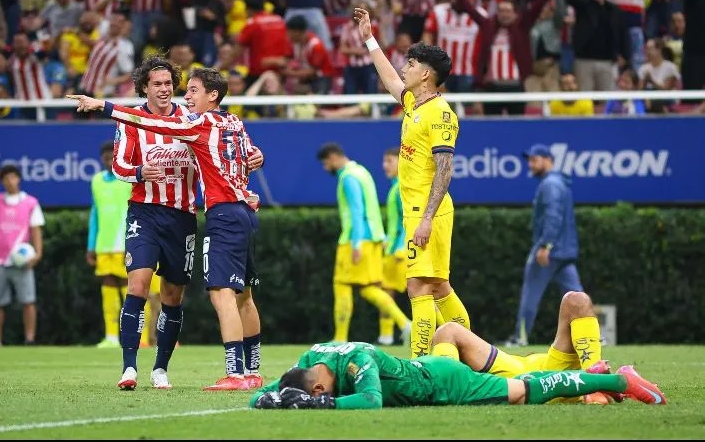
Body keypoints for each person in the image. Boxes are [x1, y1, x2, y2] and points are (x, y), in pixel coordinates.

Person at [69, 66, 266, 391]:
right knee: (241, 294)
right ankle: (132, 367)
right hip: (216, 211)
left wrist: (101, 105)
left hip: (204, 214)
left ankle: (233, 374)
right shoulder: (234, 121)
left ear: (211, 94)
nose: (181, 94)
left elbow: (152, 122)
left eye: (190, 89)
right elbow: (245, 154)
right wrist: (256, 157)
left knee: (221, 295)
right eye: (165, 85)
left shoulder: (193, 122)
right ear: (145, 88)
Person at [353, 7, 471, 359]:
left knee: (418, 285)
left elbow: (445, 169)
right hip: (417, 210)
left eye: (411, 64)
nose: (404, 68)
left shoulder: (441, 113)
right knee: (437, 286)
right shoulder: (414, 104)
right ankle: (470, 349)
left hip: (428, 212)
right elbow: (390, 79)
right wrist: (370, 40)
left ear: (426, 74)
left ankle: (420, 361)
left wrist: (426, 219)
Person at [249, 340, 667, 409]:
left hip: (446, 383)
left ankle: (618, 381)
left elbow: (371, 401)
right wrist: (264, 399)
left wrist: (323, 405)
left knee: (526, 392)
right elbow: (267, 390)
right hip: (429, 367)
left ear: (320, 387)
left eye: (319, 394)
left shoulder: (358, 361)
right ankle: (592, 375)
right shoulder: (312, 357)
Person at [431, 290, 616, 405]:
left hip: (528, 370)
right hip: (528, 380)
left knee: (575, 300)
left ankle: (594, 383)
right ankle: (442, 386)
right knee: (447, 331)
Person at [316, 143, 411, 345]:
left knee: (341, 284)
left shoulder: (348, 177)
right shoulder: (362, 172)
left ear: (333, 157)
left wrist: (356, 243)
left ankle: (340, 338)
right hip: (376, 239)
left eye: (326, 164)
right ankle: (403, 325)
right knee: (371, 288)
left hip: (356, 240)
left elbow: (356, 211)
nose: (326, 169)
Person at [505, 144, 582, 347]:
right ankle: (595, 336)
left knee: (530, 294)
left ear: (547, 159)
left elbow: (553, 217)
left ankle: (520, 338)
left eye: (534, 159)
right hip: (565, 252)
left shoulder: (550, 185)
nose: (530, 164)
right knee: (578, 297)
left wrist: (546, 245)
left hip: (549, 251)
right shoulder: (559, 183)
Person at [0, 164, 44, 346]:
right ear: (2, 181)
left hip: (22, 262)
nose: (10, 181)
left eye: (13, 177)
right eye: (5, 178)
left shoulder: (30, 202)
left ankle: (30, 339)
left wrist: (37, 254)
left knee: (28, 302)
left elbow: (35, 230)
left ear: (18, 179)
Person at [87, 141, 133, 348]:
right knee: (107, 288)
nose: (109, 161)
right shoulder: (96, 181)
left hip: (125, 243)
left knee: (130, 289)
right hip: (103, 245)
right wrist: (91, 246)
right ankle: (111, 337)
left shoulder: (129, 180)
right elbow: (95, 214)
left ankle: (137, 337)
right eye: (106, 158)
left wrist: (134, 243)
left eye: (112, 157)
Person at [378, 147, 409, 346]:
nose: (385, 166)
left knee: (420, 292)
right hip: (393, 249)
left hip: (400, 251)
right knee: (386, 292)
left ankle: (407, 328)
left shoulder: (401, 188)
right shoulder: (395, 187)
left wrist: (402, 247)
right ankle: (386, 336)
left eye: (390, 161)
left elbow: (408, 221)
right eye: (385, 161)